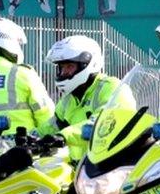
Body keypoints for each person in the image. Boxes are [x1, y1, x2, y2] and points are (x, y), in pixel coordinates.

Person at [45, 35, 135, 163]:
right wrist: (28, 137)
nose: (63, 73)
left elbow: (103, 123)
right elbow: (51, 125)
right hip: (81, 170)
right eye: (61, 67)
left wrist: (62, 136)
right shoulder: (69, 98)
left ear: (86, 64)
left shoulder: (112, 87)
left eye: (69, 67)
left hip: (111, 167)